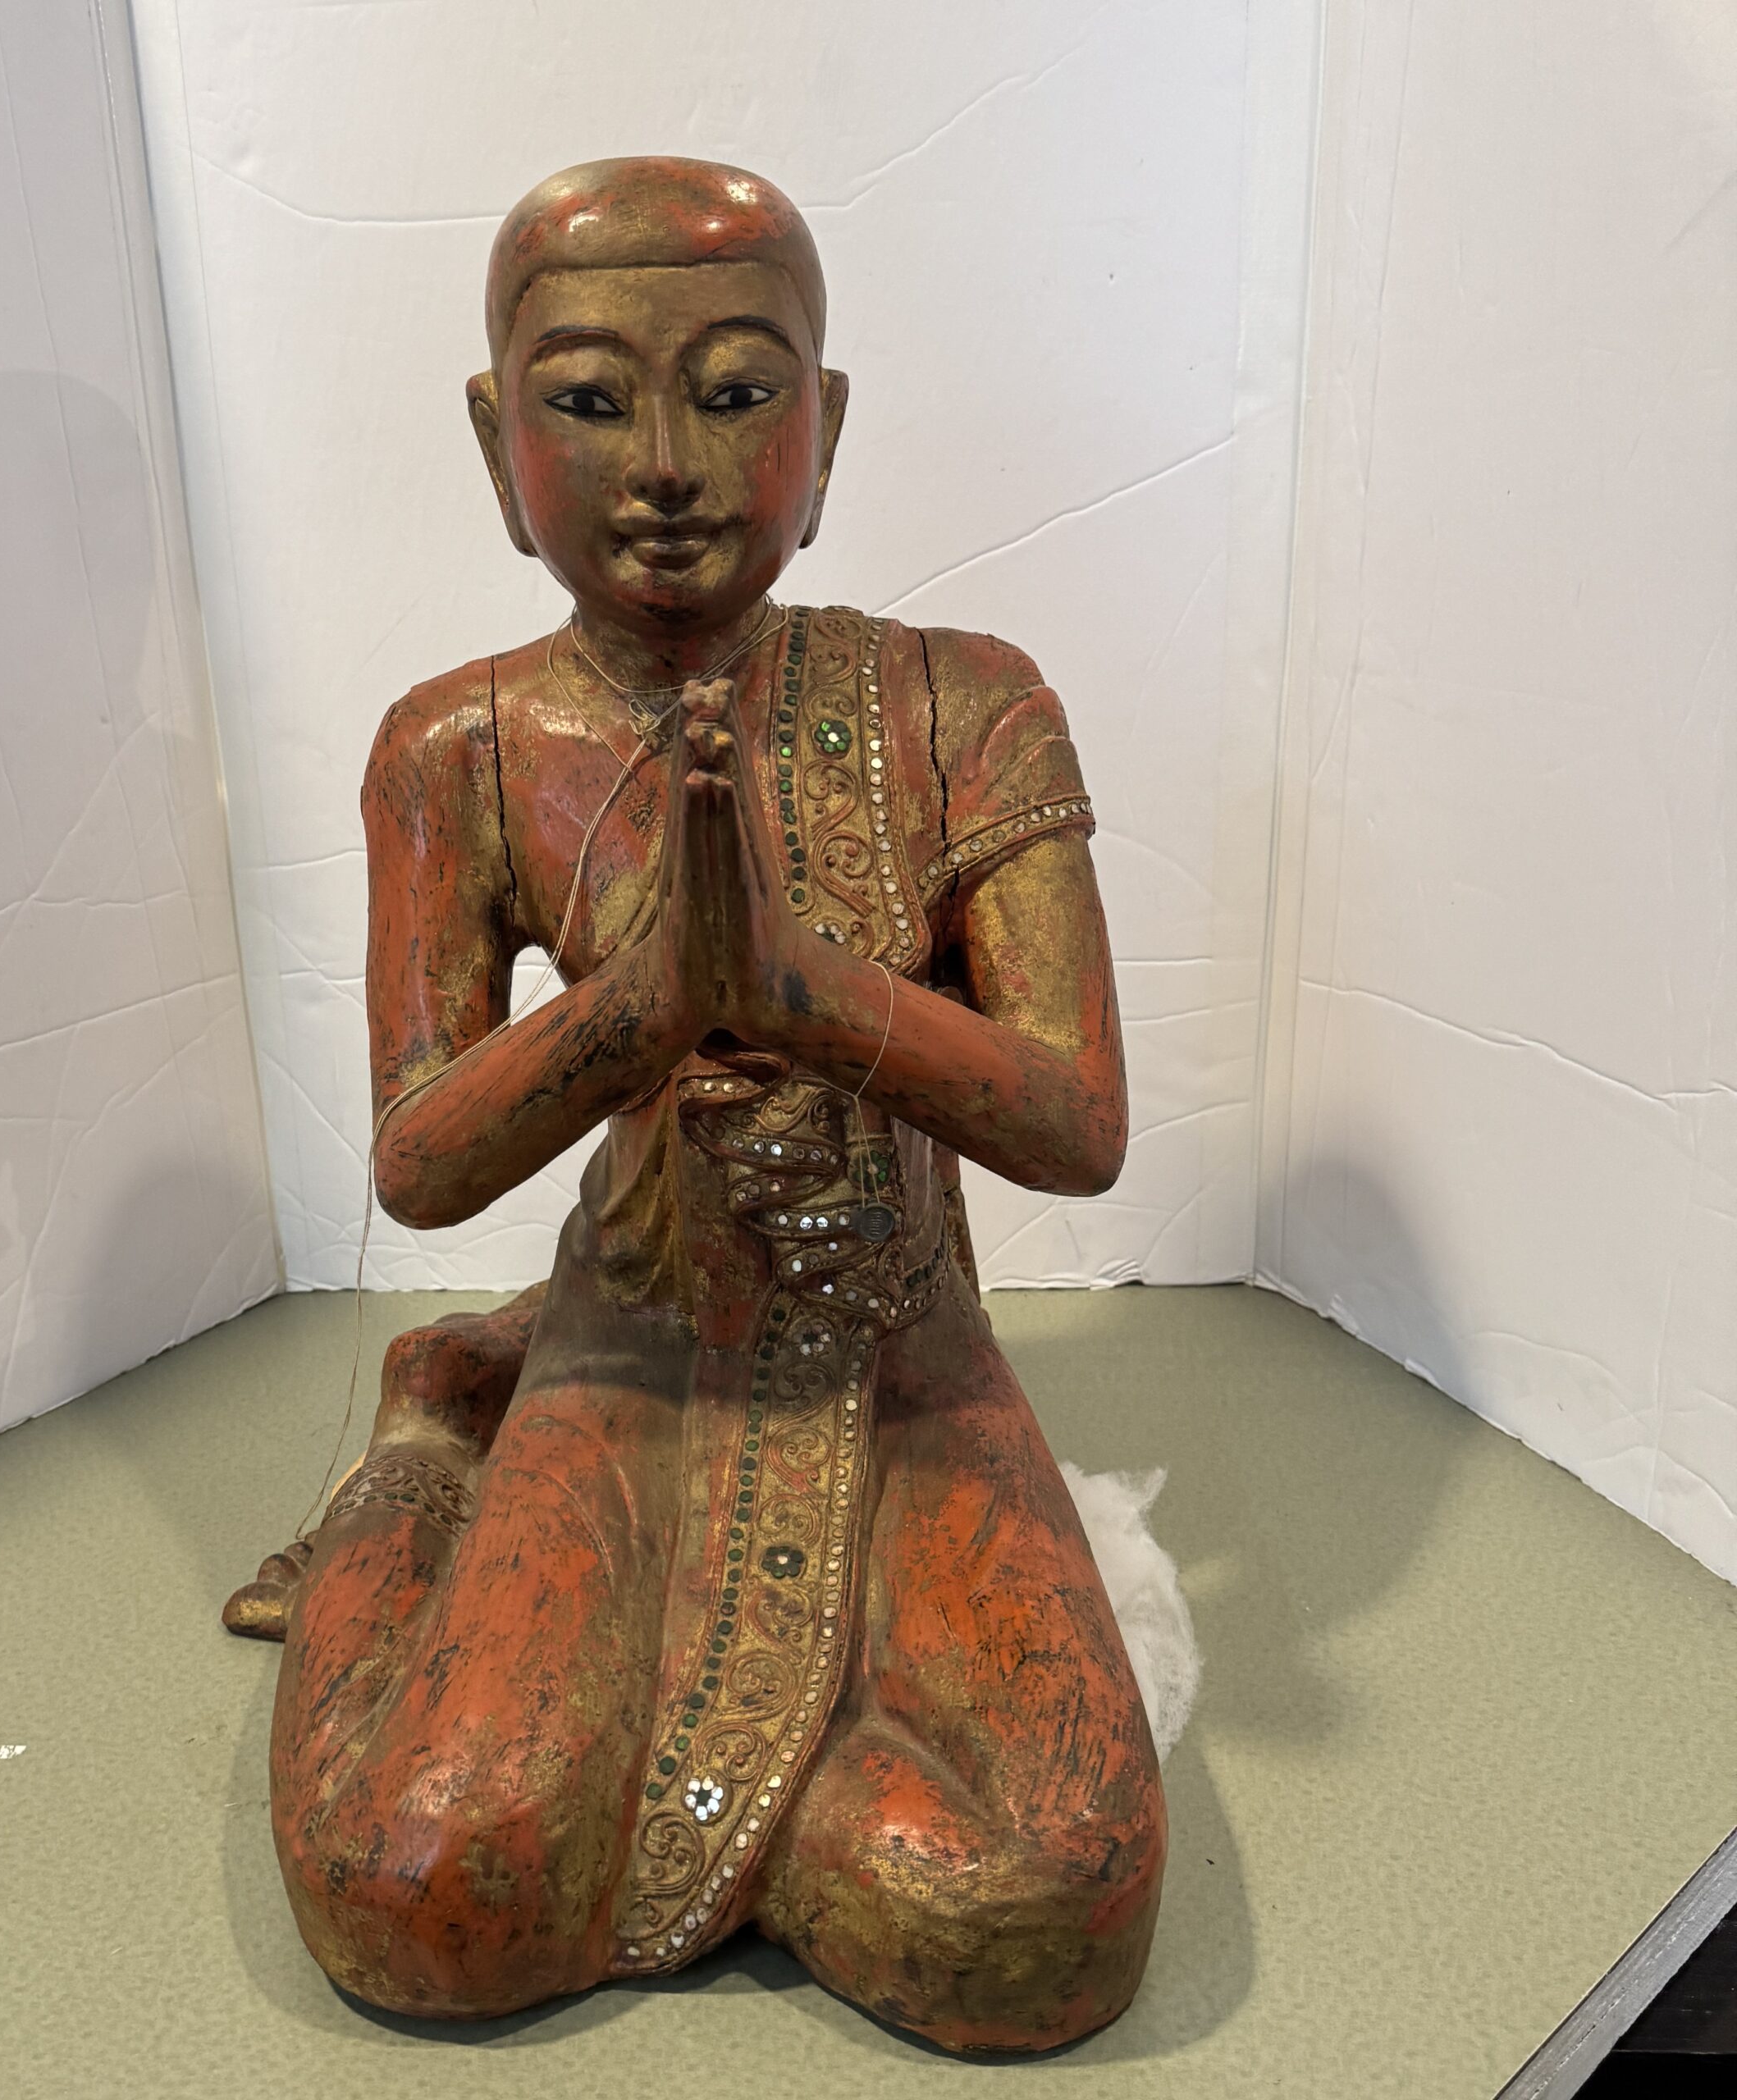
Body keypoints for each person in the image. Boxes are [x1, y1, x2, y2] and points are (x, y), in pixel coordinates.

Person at [224, 156, 1165, 2056]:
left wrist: (804, 991)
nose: (665, 463)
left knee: (1050, 1909)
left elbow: (1074, 1120)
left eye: (735, 391)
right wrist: (643, 1004)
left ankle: (683, 1818)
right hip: (630, 1346)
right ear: (497, 447)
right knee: (411, 1886)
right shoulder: (457, 744)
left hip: (892, 1344)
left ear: (826, 431)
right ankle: (430, 1431)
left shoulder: (960, 703)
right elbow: (418, 1157)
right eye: (588, 400)